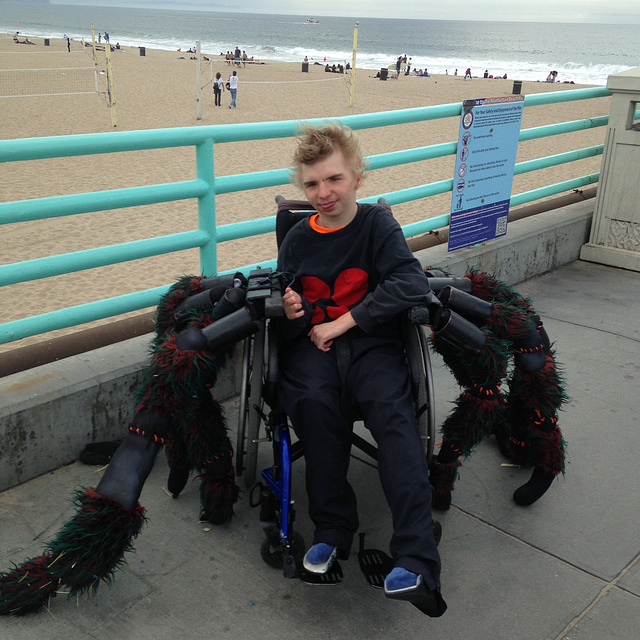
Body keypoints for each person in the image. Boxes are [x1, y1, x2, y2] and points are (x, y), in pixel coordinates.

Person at [276, 123, 446, 617]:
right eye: (311, 185)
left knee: (394, 419)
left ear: (356, 176)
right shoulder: (297, 241)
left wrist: (345, 322)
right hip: (314, 348)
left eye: (333, 179)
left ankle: (416, 558)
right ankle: (332, 529)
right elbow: (285, 304)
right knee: (313, 404)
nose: (323, 193)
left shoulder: (376, 226)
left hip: (372, 344)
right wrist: (293, 311)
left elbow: (411, 283)